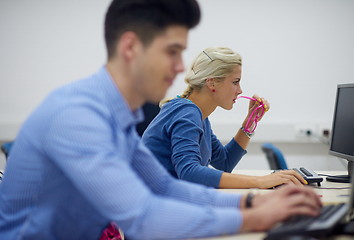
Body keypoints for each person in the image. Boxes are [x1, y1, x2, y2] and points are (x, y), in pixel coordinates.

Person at [0, 1, 321, 239]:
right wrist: (255, 216)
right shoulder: (76, 116)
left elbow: (164, 186)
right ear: (130, 47)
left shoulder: (117, 118)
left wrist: (251, 202)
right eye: (172, 51)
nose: (182, 67)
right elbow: (143, 216)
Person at [142, 47, 308, 189]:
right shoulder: (187, 113)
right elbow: (189, 172)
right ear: (212, 83)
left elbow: (224, 162)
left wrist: (251, 121)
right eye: (235, 82)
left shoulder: (199, 115)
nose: (240, 90)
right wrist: (259, 181)